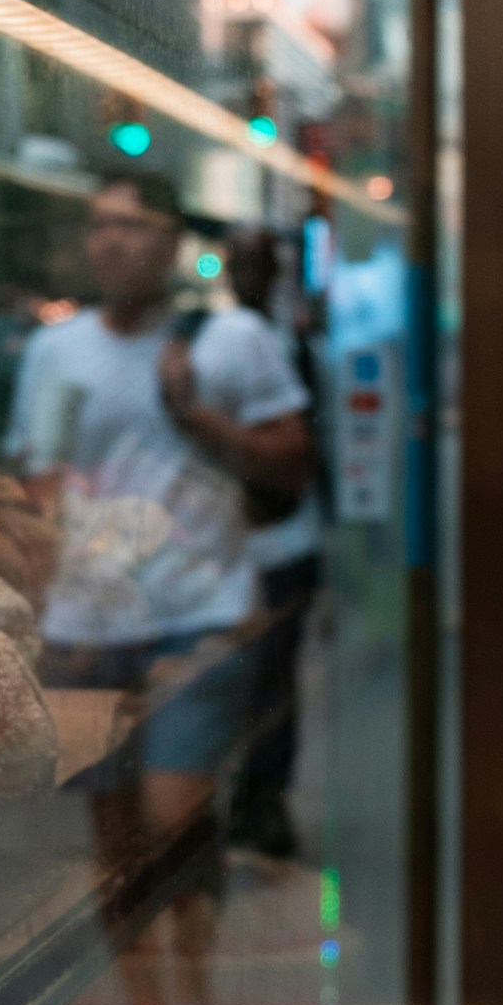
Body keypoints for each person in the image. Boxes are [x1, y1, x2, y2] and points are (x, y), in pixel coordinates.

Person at [11, 172, 313, 1005]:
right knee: (115, 840)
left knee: (173, 817)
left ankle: (200, 1004)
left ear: (175, 240)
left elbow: (295, 465)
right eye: (99, 225)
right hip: (89, 627)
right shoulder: (55, 351)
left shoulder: (234, 340)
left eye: (132, 226)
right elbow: (41, 473)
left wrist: (195, 415)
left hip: (201, 617)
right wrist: (59, 521)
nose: (111, 243)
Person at [220, 221, 323, 863]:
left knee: (274, 682)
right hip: (232, 547)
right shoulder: (218, 340)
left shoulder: (295, 346)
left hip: (285, 541)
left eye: (259, 263)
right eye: (239, 262)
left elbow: (307, 454)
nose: (247, 275)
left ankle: (263, 799)